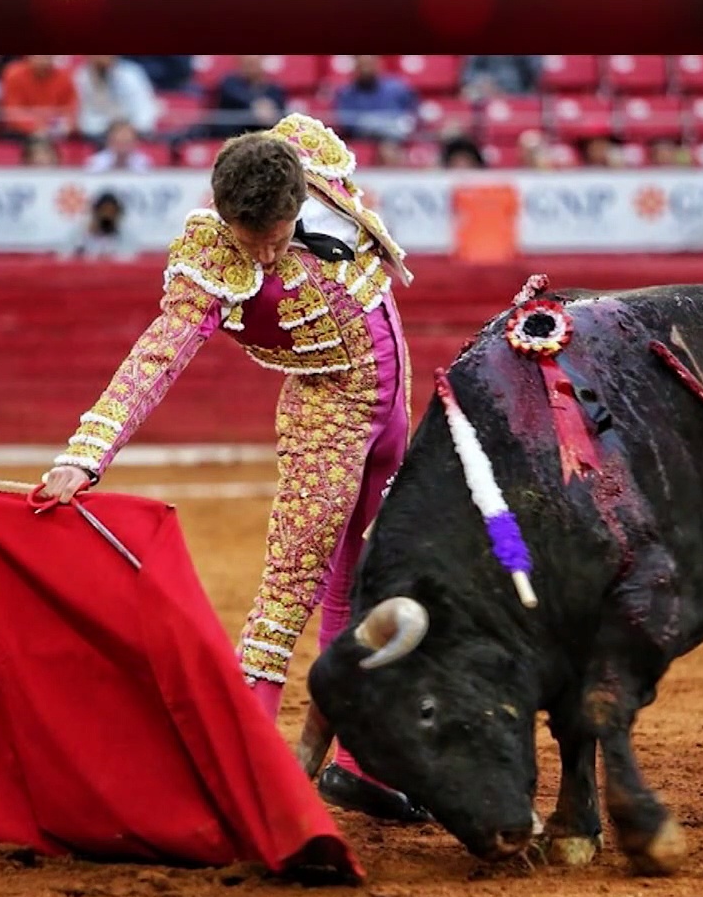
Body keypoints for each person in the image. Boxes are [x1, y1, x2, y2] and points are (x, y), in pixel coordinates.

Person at [37, 115, 430, 823]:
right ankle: (239, 778)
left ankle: (357, 765)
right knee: (288, 596)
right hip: (327, 422)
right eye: (256, 242)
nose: (271, 250)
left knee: (371, 580)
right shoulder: (211, 257)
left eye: (280, 233)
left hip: (397, 411)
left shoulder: (306, 154)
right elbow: (158, 353)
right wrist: (85, 454)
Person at [332, 55, 418, 141]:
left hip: (394, 142)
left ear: (378, 64)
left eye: (369, 64)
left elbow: (411, 117)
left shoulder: (398, 89)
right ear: (355, 67)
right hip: (361, 142)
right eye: (362, 65)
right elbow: (347, 124)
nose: (366, 70)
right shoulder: (345, 93)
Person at [75, 55, 161, 139]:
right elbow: (84, 116)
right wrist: (111, 129)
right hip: (99, 134)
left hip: (134, 132)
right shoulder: (82, 77)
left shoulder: (131, 73)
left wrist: (131, 128)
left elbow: (145, 109)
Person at [0, 55, 79, 139]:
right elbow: (13, 112)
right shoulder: (13, 75)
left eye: (47, 56)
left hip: (56, 132)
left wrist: (65, 126)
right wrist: (36, 128)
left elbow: (70, 109)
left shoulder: (65, 78)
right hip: (22, 133)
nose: (43, 60)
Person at [211, 55, 288, 138]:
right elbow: (236, 98)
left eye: (253, 63)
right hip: (233, 135)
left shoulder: (274, 88)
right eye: (248, 64)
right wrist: (256, 105)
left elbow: (278, 111)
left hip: (265, 136)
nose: (251, 68)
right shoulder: (229, 83)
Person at [61, 191, 137, 262]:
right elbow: (66, 257)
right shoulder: (79, 233)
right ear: (96, 212)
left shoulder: (126, 236)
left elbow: (130, 259)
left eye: (112, 211)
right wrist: (86, 235)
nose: (107, 215)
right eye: (104, 210)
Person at [459, 55, 541, 100]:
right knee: (469, 94)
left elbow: (536, 71)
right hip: (488, 93)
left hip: (519, 94)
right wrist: (482, 81)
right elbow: (469, 74)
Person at [85, 122, 154, 172]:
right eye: (118, 142)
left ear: (135, 143)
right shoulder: (96, 162)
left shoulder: (143, 162)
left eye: (126, 143)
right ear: (109, 142)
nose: (122, 148)